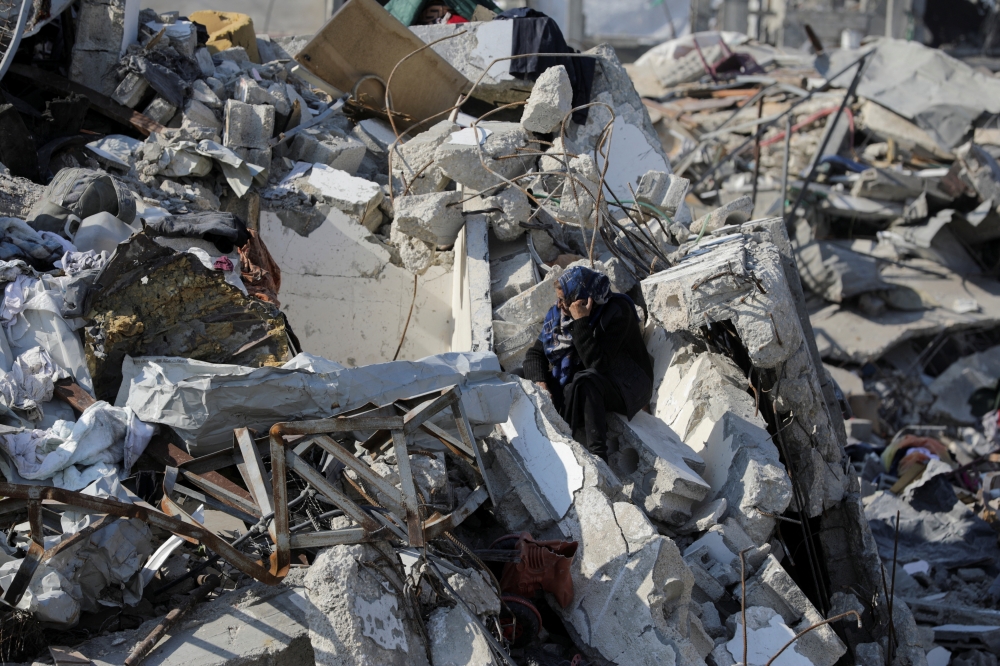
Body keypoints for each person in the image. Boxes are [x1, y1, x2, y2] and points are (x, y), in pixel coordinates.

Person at [522, 266, 653, 460]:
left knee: (586, 381)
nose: (559, 305)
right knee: (520, 376)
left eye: (564, 300)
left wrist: (580, 322)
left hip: (626, 383)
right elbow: (534, 354)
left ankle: (599, 458)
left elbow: (597, 363)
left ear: (584, 300)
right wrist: (540, 382)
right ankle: (530, 444)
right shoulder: (558, 316)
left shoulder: (616, 312)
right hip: (581, 377)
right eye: (559, 299)